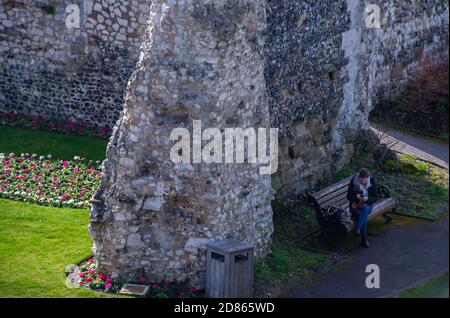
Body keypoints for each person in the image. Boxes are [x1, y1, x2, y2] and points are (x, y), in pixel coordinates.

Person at [346, 168, 378, 248]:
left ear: (368, 178)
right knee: (362, 214)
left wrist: (367, 199)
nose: (363, 182)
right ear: (358, 177)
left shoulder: (371, 181)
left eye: (365, 180)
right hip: (355, 205)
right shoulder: (354, 181)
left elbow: (375, 198)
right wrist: (356, 197)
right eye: (361, 180)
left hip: (367, 204)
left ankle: (359, 229)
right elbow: (348, 196)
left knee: (365, 210)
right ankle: (364, 239)